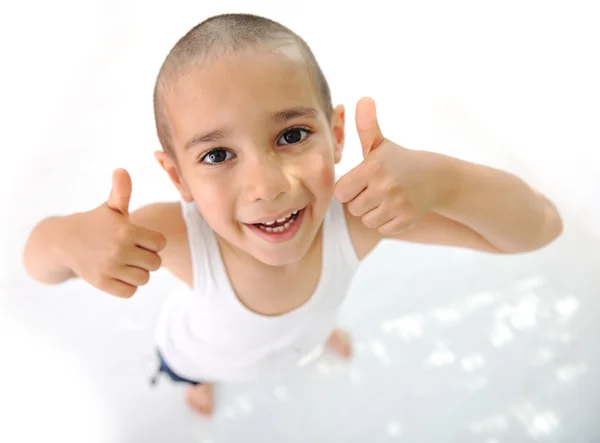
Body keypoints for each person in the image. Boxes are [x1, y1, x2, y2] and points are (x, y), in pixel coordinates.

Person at [22, 13, 563, 416]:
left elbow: (539, 228)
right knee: (189, 369)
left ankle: (315, 336)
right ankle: (197, 382)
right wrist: (69, 241)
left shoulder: (356, 218)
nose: (266, 186)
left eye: (292, 135)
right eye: (216, 155)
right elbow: (36, 265)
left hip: (301, 336)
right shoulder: (178, 237)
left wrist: (445, 179)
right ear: (178, 177)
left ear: (336, 135)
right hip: (199, 351)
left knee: (309, 326)